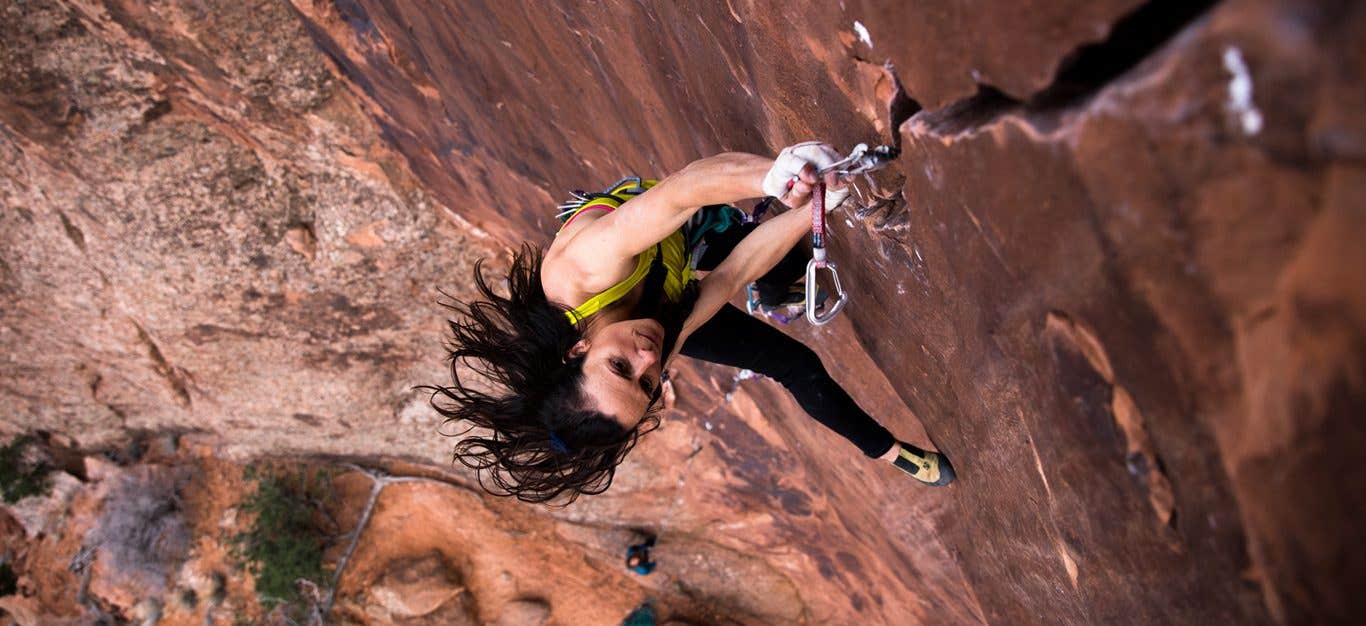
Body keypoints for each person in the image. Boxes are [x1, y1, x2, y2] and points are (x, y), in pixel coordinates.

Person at [426, 142, 955, 504]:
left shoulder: (580, 272)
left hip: (673, 224)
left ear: (575, 350)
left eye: (620, 368)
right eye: (649, 384)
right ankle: (889, 452)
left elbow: (683, 191)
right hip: (677, 275)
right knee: (796, 362)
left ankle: (779, 287)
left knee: (760, 236)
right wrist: (821, 205)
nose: (651, 360)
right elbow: (728, 279)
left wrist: (775, 174)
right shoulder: (650, 347)